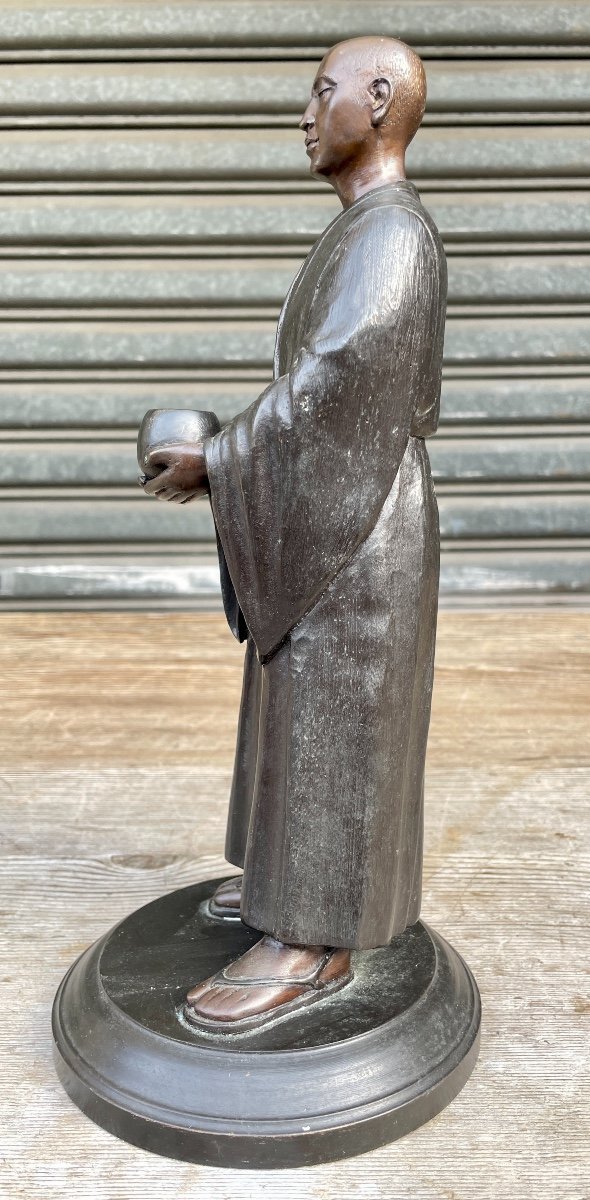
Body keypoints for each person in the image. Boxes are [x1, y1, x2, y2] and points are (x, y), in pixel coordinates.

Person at [140, 35, 447, 1030]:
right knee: (298, 713)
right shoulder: (360, 232)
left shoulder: (391, 237)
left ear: (379, 101)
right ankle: (287, 888)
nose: (304, 114)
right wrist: (237, 458)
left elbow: (339, 388)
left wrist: (224, 460)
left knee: (337, 722)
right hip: (335, 515)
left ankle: (311, 940)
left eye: (322, 93)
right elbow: (317, 393)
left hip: (360, 533)